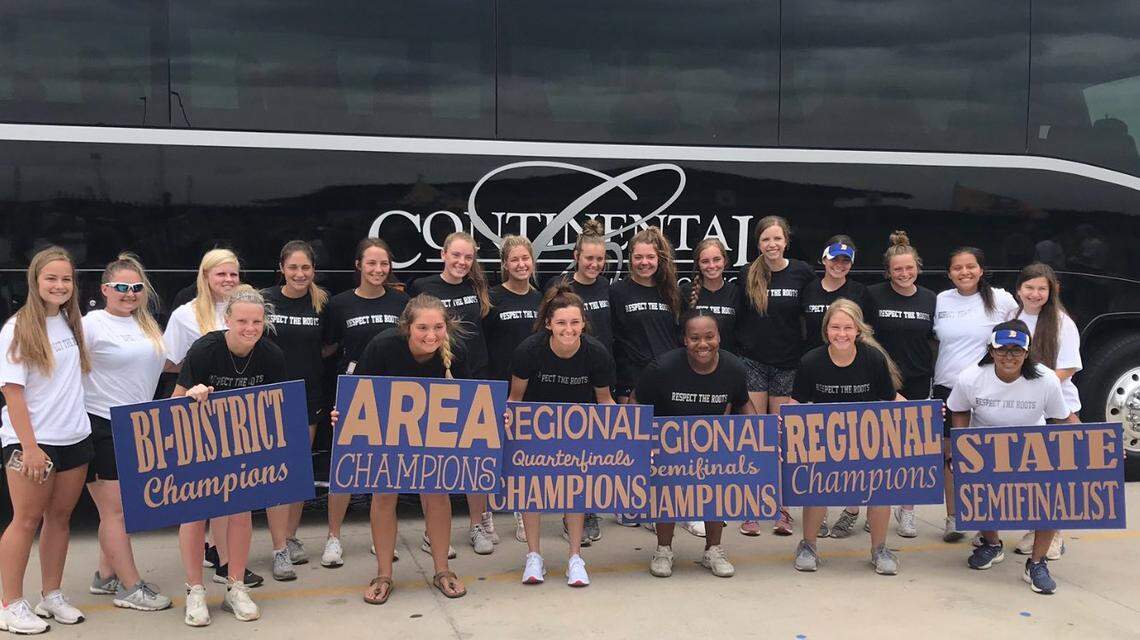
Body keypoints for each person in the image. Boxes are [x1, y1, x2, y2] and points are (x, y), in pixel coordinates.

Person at [348, 294, 473, 603]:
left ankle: (442, 570)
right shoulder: (382, 346)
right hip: (388, 428)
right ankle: (383, 574)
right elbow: (358, 393)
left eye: (438, 327)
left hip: (433, 429)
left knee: (436, 493)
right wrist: (344, 414)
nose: (431, 335)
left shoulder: (456, 350)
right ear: (407, 327)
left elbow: (472, 396)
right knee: (384, 493)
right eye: (422, 328)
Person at [175, 286, 288, 625]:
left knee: (240, 513)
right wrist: (192, 396)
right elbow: (173, 404)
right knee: (195, 515)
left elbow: (278, 406)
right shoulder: (205, 349)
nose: (250, 328)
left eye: (256, 321)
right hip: (200, 441)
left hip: (243, 445)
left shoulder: (270, 355)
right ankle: (194, 590)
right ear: (227, 320)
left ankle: (235, 586)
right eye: (242, 321)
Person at [0, 247, 93, 634]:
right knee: (25, 520)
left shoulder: (72, 323)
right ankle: (10, 603)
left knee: (59, 518)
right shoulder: (18, 327)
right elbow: (12, 392)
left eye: (66, 279)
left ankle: (51, 594)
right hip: (33, 443)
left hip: (75, 436)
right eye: (51, 278)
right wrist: (31, 448)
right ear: (35, 282)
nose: (59, 285)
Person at [947, 320, 1070, 594]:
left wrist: (1096, 448)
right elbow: (959, 409)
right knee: (980, 493)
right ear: (991, 350)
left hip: (1032, 446)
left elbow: (1060, 419)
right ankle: (991, 543)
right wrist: (961, 444)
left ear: (1027, 353)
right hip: (985, 445)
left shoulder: (1045, 379)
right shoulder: (971, 377)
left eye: (1016, 350)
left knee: (1049, 499)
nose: (1009, 357)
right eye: (1002, 350)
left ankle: (1036, 563)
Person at [162, 249, 260, 587]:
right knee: (205, 491)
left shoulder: (250, 306)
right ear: (205, 276)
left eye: (233, 274)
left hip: (239, 417)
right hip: (200, 413)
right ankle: (214, 560)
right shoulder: (184, 315)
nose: (228, 280)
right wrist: (196, 382)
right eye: (221, 274)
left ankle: (226, 561)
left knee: (232, 492)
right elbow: (171, 361)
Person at [634, 310, 755, 578]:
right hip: (669, 444)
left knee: (717, 489)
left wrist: (760, 439)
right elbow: (637, 403)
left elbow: (743, 403)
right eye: (695, 338)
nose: (703, 344)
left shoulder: (733, 368)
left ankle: (713, 550)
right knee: (667, 491)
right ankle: (663, 549)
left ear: (719, 337)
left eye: (709, 337)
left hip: (713, 443)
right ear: (684, 340)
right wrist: (644, 443)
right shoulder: (662, 368)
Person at [82, 254, 172, 611]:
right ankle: (131, 588)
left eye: (136, 288)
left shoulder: (146, 323)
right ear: (105, 289)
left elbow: (170, 363)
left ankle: (106, 576)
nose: (130, 293)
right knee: (116, 512)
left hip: (136, 425)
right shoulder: (91, 324)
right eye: (121, 287)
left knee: (119, 511)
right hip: (99, 423)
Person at [789, 299, 905, 575]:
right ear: (826, 329)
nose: (841, 333)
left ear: (858, 330)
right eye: (835, 327)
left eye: (847, 328)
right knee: (816, 490)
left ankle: (879, 549)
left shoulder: (873, 359)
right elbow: (797, 404)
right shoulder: (811, 361)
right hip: (824, 441)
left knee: (880, 489)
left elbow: (891, 399)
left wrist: (927, 415)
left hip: (867, 439)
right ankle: (808, 545)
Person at [509, 284, 615, 586]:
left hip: (577, 430)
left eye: (574, 322)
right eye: (561, 323)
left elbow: (605, 400)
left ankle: (575, 557)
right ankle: (534, 556)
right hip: (536, 429)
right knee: (533, 490)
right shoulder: (528, 350)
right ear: (548, 324)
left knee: (574, 489)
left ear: (583, 323)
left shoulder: (595, 352)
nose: (568, 329)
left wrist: (622, 432)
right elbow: (516, 399)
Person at [322, 238, 409, 568]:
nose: (378, 270)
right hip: (353, 391)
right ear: (358, 265)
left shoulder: (403, 302)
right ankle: (333, 537)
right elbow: (328, 348)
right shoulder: (340, 304)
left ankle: (381, 539)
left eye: (384, 264)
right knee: (344, 464)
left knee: (384, 469)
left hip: (393, 394)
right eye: (371, 263)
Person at [409, 232, 497, 555]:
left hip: (474, 376)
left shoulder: (477, 288)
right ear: (443, 254)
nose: (462, 262)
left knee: (474, 455)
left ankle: (477, 524)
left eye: (468, 257)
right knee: (433, 456)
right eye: (456, 255)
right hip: (435, 379)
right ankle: (433, 531)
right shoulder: (423, 287)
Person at [736, 216, 815, 536]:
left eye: (777, 239)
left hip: (788, 365)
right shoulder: (747, 275)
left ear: (786, 241)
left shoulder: (801, 272)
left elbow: (810, 316)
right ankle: (752, 507)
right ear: (758, 244)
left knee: (782, 440)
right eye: (766, 240)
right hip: (753, 363)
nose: (772, 245)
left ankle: (782, 508)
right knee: (756, 438)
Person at [933, 247, 1018, 543]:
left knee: (984, 456)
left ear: (981, 269)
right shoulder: (941, 300)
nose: (964, 272)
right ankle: (954, 517)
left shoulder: (1001, 299)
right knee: (950, 454)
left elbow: (1030, 321)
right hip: (947, 387)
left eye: (971, 267)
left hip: (986, 388)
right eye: (957, 268)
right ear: (949, 273)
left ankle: (986, 520)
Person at [260, 241, 330, 581]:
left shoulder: (321, 302)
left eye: (306, 268)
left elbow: (330, 344)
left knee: (298, 469)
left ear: (313, 270)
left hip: (308, 394)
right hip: (271, 395)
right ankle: (277, 548)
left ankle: (290, 538)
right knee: (275, 470)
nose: (300, 274)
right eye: (293, 268)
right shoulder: (265, 299)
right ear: (282, 268)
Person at [864, 231, 937, 539]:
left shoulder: (931, 299)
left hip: (918, 381)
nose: (904, 274)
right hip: (882, 380)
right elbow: (864, 335)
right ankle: (871, 509)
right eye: (898, 270)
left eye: (909, 268)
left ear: (917, 267)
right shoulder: (873, 295)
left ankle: (906, 511)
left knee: (910, 451)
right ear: (887, 272)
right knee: (875, 449)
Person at [609, 226, 681, 528]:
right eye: (638, 257)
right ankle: (628, 504)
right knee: (633, 446)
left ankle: (657, 507)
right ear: (629, 259)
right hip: (632, 378)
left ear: (658, 258)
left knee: (662, 447)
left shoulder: (670, 291)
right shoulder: (617, 291)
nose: (644, 262)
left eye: (649, 257)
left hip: (667, 378)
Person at [1009, 262, 1082, 559]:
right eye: (1029, 287)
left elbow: (1066, 368)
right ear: (1019, 290)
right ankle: (1034, 531)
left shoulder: (1062, 322)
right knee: (1029, 479)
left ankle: (1055, 536)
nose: (1035, 294)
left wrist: (1036, 388)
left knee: (1054, 479)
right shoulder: (1010, 317)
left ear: (1051, 291)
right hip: (1022, 410)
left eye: (1042, 288)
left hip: (1056, 410)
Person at [800, 235, 867, 539]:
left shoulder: (860, 293)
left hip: (853, 374)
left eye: (845, 260)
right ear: (823, 260)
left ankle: (852, 510)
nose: (839, 265)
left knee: (854, 453)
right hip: (817, 373)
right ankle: (820, 515)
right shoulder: (809, 289)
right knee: (821, 452)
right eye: (834, 259)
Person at [674, 237, 739, 539]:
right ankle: (683, 509)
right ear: (697, 265)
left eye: (716, 260)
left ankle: (711, 506)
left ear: (725, 261)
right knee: (688, 444)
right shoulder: (686, 292)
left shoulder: (736, 292)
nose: (711, 266)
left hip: (723, 374)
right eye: (705, 261)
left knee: (717, 445)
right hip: (690, 373)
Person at [554, 219, 612, 544]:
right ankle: (568, 514)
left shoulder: (609, 288)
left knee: (593, 452)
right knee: (568, 452)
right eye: (588, 258)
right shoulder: (561, 287)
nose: (594, 264)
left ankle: (587, 510)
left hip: (599, 377)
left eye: (599, 259)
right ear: (576, 255)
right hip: (566, 378)